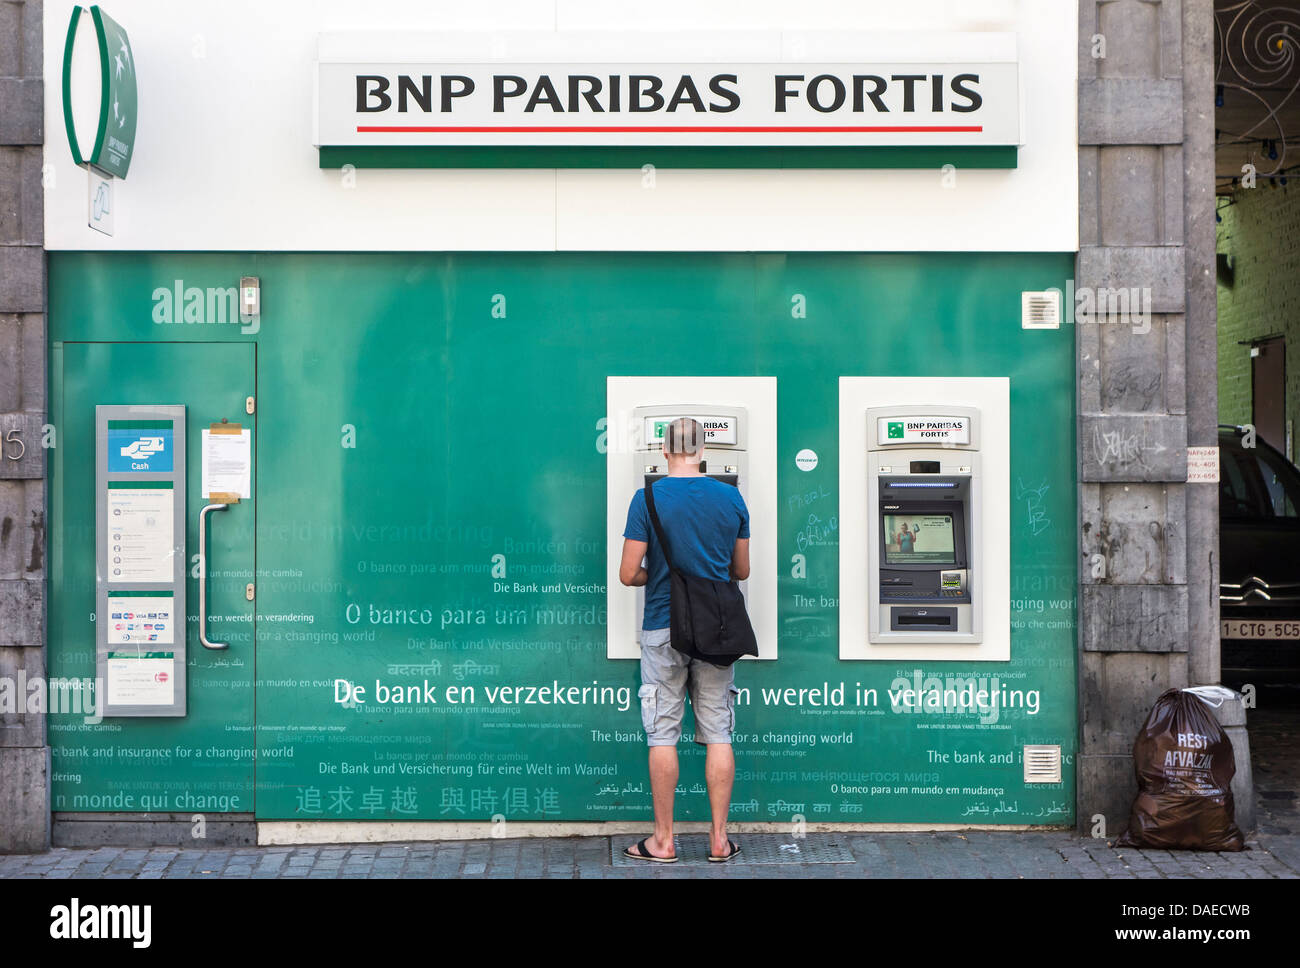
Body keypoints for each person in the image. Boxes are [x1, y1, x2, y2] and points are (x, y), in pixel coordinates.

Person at [618, 417, 750, 863]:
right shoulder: (731, 496)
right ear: (703, 450)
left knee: (663, 737)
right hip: (716, 629)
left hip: (663, 625)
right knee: (718, 732)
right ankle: (717, 840)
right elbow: (742, 570)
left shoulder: (647, 498)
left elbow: (627, 573)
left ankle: (663, 841)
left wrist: (654, 575)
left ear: (664, 451)